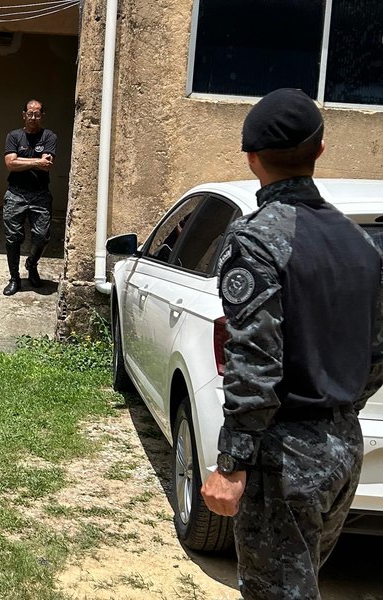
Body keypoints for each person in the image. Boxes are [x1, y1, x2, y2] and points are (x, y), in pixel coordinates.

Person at [201, 88, 383, 599]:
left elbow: (254, 359)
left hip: (284, 456)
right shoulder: (359, 242)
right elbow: (377, 349)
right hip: (343, 445)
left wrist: (232, 463)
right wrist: (338, 405)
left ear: (251, 157)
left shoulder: (257, 240)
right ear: (320, 150)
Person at [2, 99, 57, 296]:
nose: (33, 117)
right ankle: (14, 279)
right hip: (16, 193)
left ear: (42, 116)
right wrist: (36, 162)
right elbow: (10, 164)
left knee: (42, 236)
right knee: (13, 238)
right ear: (24, 115)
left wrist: (21, 161)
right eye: (30, 113)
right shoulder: (14, 136)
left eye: (37, 114)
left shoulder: (49, 136)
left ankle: (32, 263)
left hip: (40, 194)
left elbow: (47, 164)